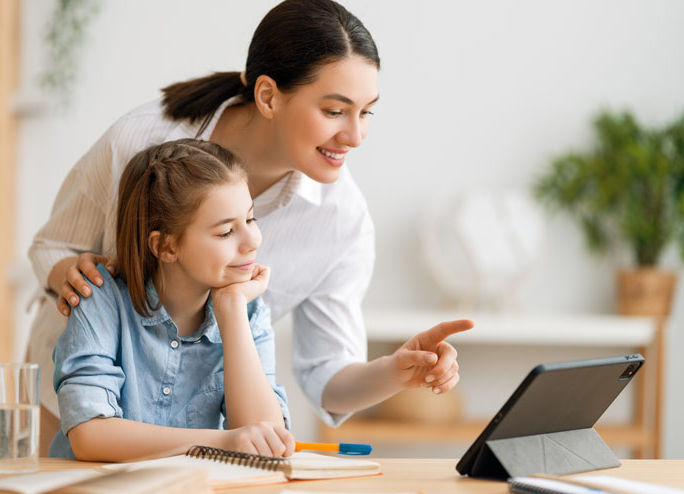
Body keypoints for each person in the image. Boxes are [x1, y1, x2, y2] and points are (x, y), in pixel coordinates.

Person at [30, 0, 473, 454]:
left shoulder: (341, 221)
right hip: (75, 404)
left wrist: (395, 370)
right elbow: (52, 244)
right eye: (335, 111)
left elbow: (326, 372)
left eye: (367, 112)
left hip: (201, 442)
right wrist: (76, 278)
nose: (356, 136)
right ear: (268, 96)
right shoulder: (142, 141)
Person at [50, 139, 292, 461]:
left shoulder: (247, 312)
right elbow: (90, 434)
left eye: (249, 220)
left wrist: (232, 310)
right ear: (166, 247)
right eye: (225, 232)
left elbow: (267, 441)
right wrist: (223, 442)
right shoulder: (101, 301)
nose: (253, 241)